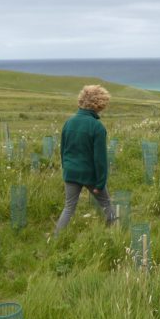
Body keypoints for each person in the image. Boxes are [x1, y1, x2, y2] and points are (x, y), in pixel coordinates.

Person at [55, 85, 115, 235]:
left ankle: (56, 239)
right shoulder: (97, 127)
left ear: (82, 100)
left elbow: (63, 150)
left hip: (70, 172)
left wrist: (66, 170)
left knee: (69, 207)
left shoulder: (69, 122)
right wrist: (100, 183)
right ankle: (114, 233)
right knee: (106, 203)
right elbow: (100, 159)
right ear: (100, 103)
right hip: (90, 174)